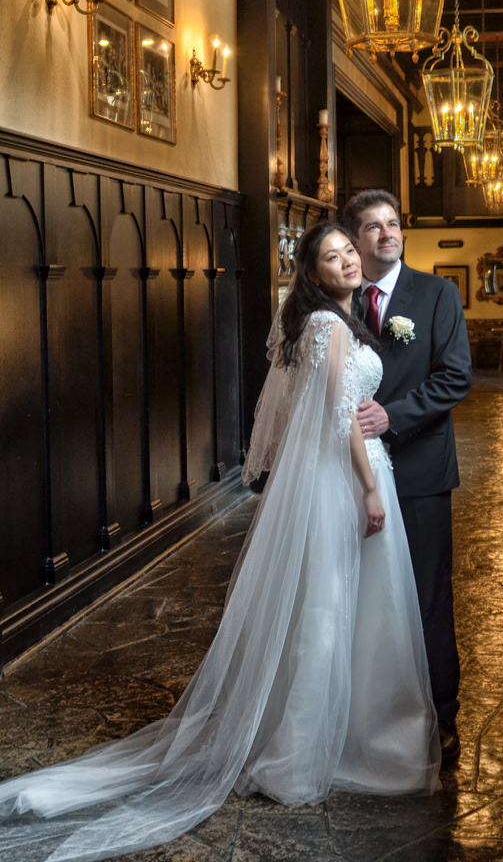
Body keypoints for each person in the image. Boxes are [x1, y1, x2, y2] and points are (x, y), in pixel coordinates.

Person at [0, 223, 439, 862]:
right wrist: (370, 488)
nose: (348, 260)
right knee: (326, 609)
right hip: (346, 478)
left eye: (349, 250)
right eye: (332, 256)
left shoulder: (334, 324)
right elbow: (339, 412)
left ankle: (342, 733)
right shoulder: (327, 326)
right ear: (312, 274)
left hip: (342, 472)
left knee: (344, 606)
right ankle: (298, 754)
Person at [343, 190, 473, 764]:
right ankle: (366, 711)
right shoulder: (339, 300)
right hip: (350, 472)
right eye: (372, 227)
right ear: (355, 242)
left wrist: (392, 417)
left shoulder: (438, 294)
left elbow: (455, 377)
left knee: (427, 594)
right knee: (360, 591)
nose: (387, 233)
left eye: (393, 223)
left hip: (420, 467)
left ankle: (441, 713)